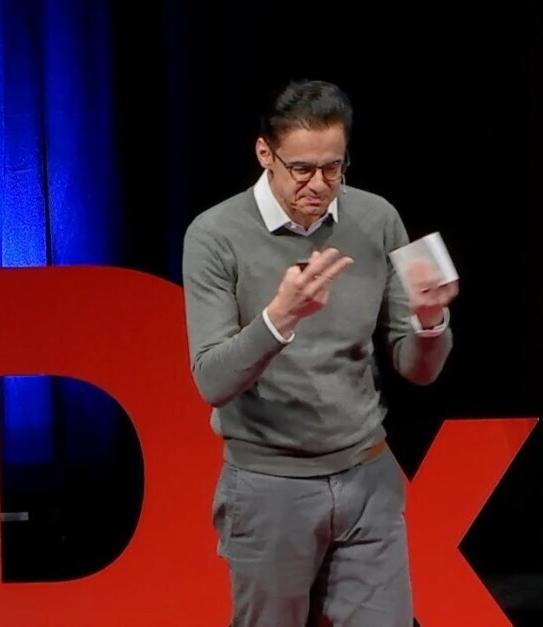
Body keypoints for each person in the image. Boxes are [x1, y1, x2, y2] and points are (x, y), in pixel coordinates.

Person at [181, 79, 458, 627]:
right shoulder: (214, 235)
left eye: (334, 167)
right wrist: (280, 317)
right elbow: (212, 380)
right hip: (269, 488)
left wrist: (429, 321)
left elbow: (416, 369)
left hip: (367, 477)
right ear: (265, 154)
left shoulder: (377, 218)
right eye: (302, 169)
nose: (319, 184)